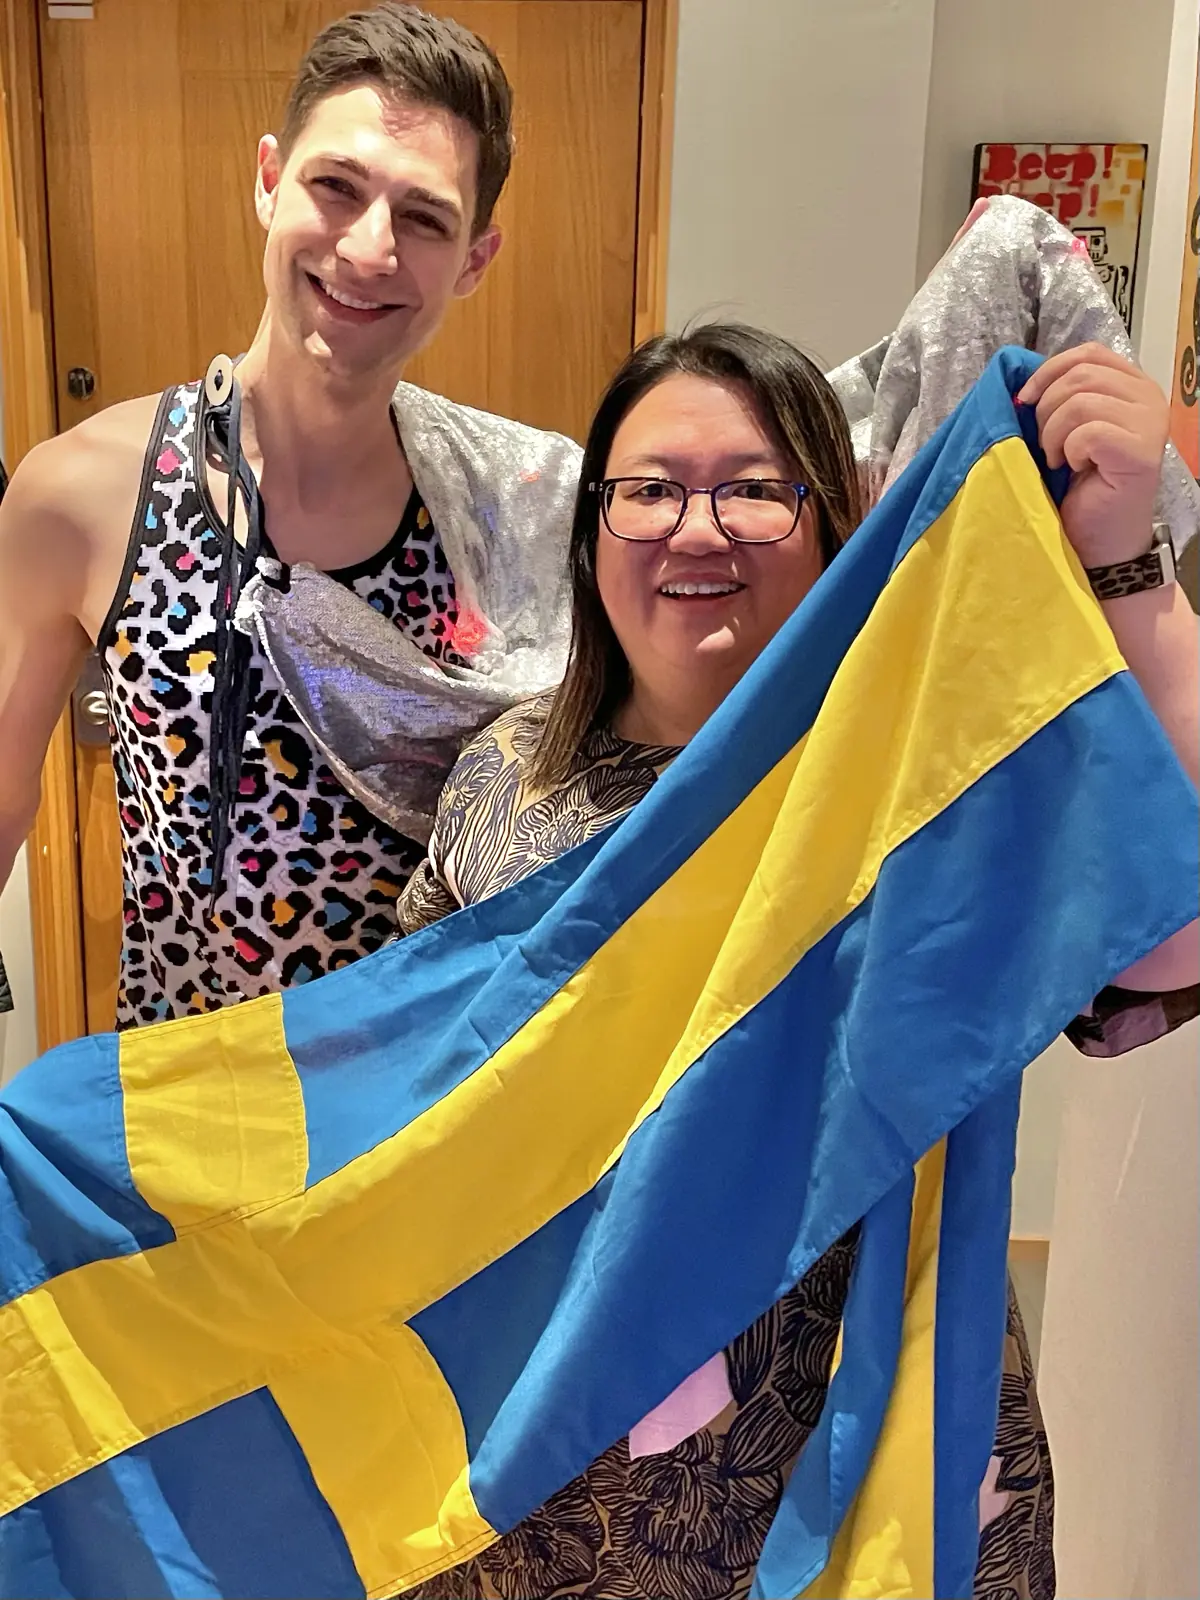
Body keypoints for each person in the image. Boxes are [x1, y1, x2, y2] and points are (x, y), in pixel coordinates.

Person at [398, 323, 1199, 1600]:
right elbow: (403, 1093)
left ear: (832, 525)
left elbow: (1167, 940)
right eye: (650, 488)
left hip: (857, 1436)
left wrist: (1128, 572)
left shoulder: (926, 778)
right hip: (554, 1472)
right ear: (593, 531)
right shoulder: (504, 778)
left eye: (754, 490)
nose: (696, 528)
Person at [0, 3, 580, 1028]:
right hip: (194, 1095)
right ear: (269, 181)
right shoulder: (79, 494)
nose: (369, 247)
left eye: (425, 217)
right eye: (336, 186)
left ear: (474, 260)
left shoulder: (522, 510)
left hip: (436, 1092)